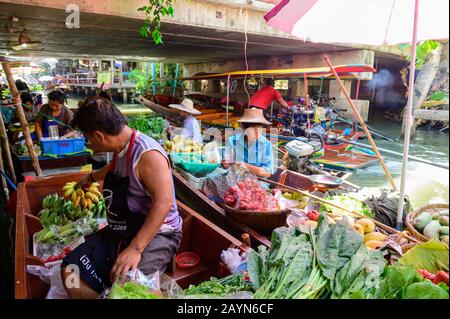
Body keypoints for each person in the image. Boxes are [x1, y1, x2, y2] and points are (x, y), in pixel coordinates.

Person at [61, 97, 182, 299]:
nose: (89, 144)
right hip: (124, 228)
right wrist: (91, 177)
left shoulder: (147, 154)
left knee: (131, 290)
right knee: (70, 269)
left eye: (88, 138)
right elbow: (113, 168)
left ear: (98, 135)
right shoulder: (121, 148)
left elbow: (164, 202)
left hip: (159, 233)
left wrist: (135, 248)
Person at [222, 108, 275, 177]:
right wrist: (226, 163)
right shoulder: (233, 141)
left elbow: (267, 172)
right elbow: (228, 162)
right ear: (244, 129)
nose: (257, 134)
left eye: (260, 130)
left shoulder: (266, 144)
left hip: (258, 183)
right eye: (253, 131)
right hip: (235, 179)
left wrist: (246, 166)